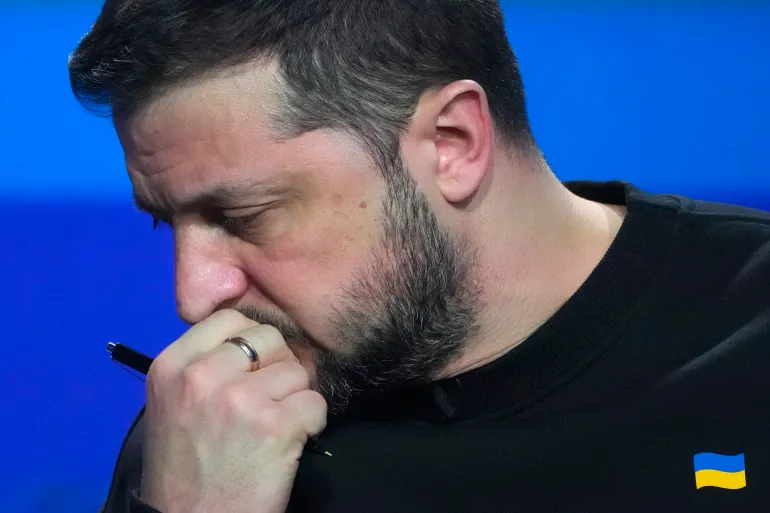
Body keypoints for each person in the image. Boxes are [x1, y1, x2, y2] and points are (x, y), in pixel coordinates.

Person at [68, 1, 770, 512]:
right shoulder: (209, 438)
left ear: (452, 143)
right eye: (165, 222)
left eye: (243, 216)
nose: (192, 296)